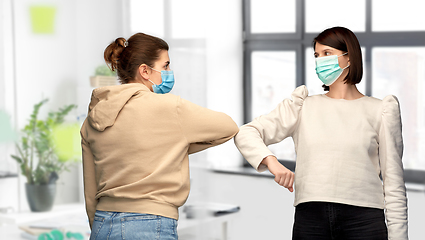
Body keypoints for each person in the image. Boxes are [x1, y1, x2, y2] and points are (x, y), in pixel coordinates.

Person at [234, 26, 408, 240]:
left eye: (327, 54)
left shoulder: (380, 110)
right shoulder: (302, 106)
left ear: (349, 58)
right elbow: (246, 132)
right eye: (316, 55)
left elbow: (394, 183)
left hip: (364, 220)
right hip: (311, 219)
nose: (320, 61)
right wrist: (272, 162)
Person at [80, 33, 239, 240]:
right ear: (145, 70)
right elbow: (228, 126)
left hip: (102, 224)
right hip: (149, 223)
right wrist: (177, 144)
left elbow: (90, 188)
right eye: (165, 66)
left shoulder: (93, 118)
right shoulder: (169, 108)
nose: (169, 72)